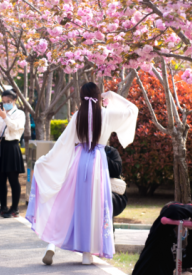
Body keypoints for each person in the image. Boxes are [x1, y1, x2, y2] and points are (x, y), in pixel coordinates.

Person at [26, 83, 138, 265]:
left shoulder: (78, 116)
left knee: (69, 203)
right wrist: (114, 96)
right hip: (97, 164)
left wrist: (44, 161)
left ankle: (52, 244)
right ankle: (87, 254)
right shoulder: (107, 115)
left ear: (81, 98)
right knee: (95, 207)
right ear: (99, 97)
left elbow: (63, 143)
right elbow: (133, 110)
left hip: (79, 162)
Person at [132, 203, 192, 275]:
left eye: (185, 226)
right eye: (182, 225)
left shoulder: (177, 242)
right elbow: (172, 209)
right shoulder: (159, 232)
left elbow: (190, 261)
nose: (184, 229)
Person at [0, 89, 25, 219]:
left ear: (14, 101)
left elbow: (16, 127)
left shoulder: (20, 113)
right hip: (0, 147)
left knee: (13, 179)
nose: (6, 104)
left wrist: (5, 117)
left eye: (8, 101)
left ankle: (14, 208)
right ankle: (3, 207)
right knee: (0, 180)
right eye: (3, 101)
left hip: (12, 147)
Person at [105, 145, 128, 219]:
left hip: (111, 194)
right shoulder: (80, 152)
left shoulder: (110, 151)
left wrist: (101, 154)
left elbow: (116, 171)